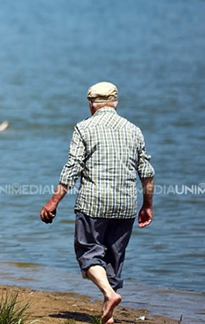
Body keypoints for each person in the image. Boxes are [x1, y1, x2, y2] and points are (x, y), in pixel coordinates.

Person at [40, 82, 154, 324]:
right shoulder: (134, 130)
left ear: (91, 104)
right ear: (116, 103)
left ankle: (110, 294)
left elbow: (73, 168)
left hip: (94, 203)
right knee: (114, 257)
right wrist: (147, 205)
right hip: (126, 205)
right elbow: (146, 171)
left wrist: (53, 201)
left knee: (88, 253)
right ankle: (108, 313)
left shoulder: (84, 128)